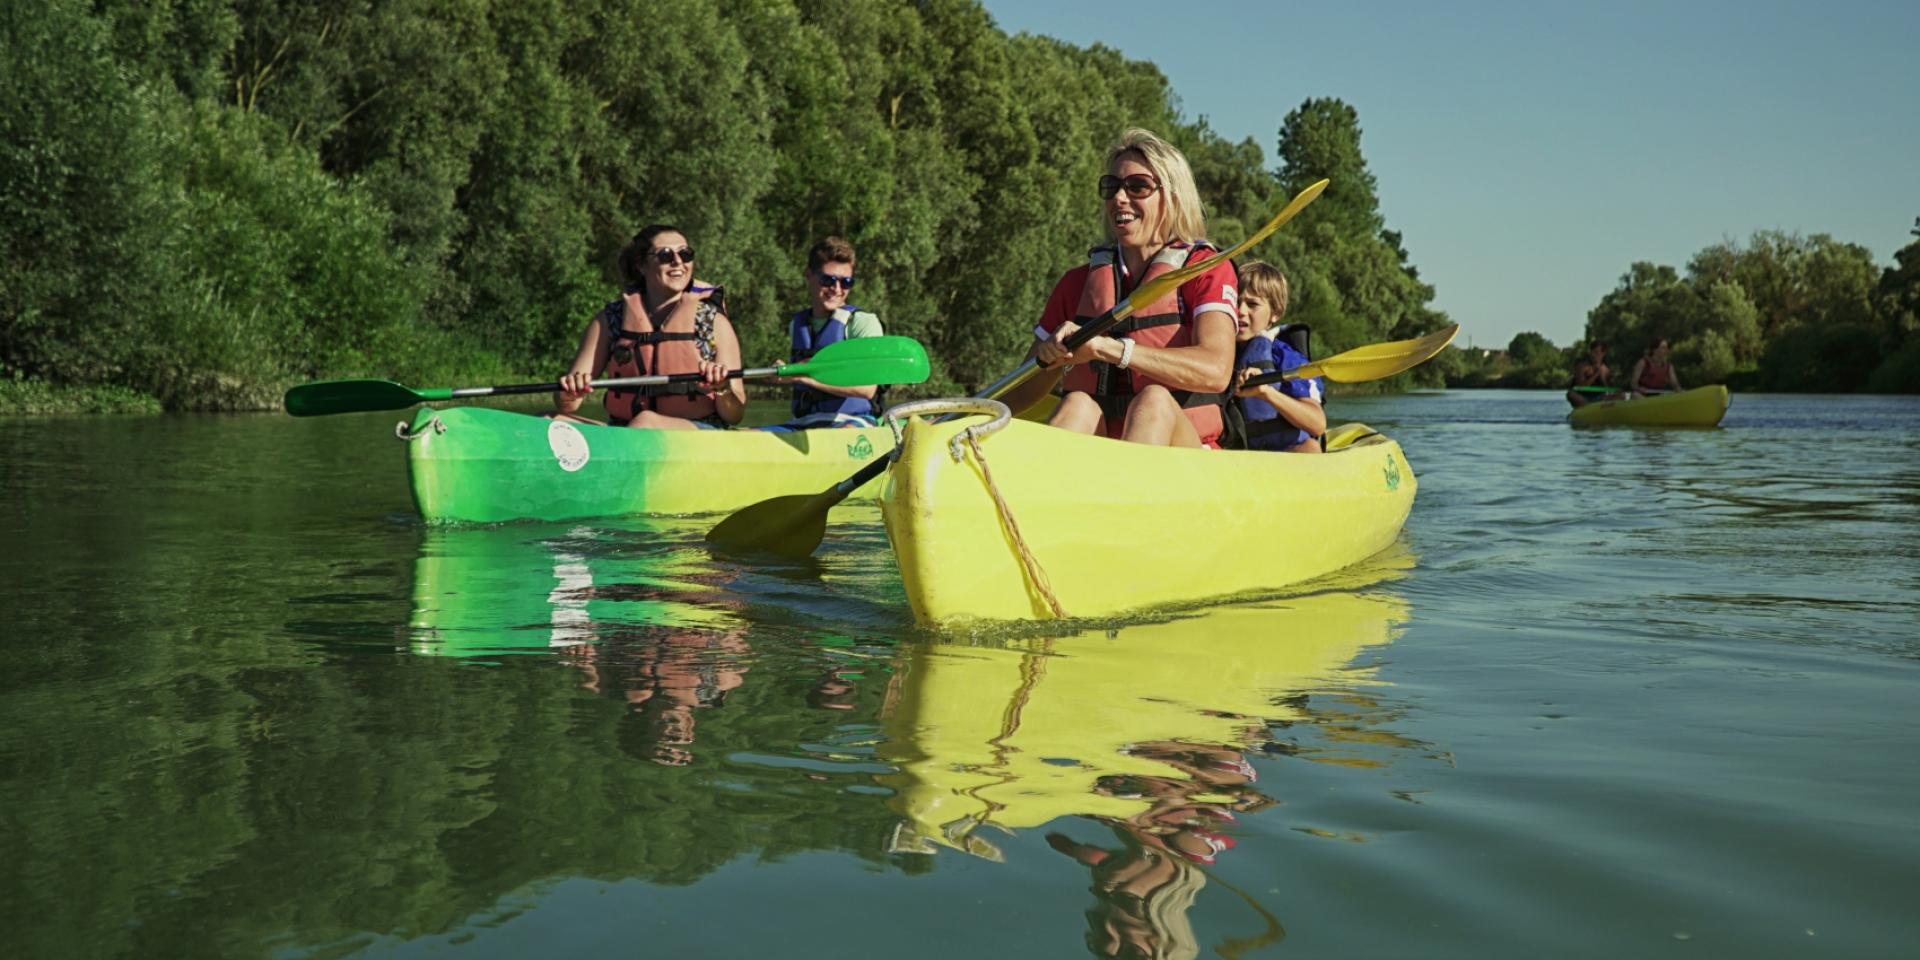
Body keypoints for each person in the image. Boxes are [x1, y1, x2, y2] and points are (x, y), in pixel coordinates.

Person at [1006, 129, 1238, 447]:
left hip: (1187, 453)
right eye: (1111, 187)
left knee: (1154, 400)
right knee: (1077, 404)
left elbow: (1216, 371)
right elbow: (1022, 389)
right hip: (1107, 451)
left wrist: (1110, 349)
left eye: (1137, 186)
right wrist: (1049, 358)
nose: (1119, 198)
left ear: (1173, 197)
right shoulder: (1077, 283)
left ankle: (1132, 479)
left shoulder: (1205, 271)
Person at [553, 224, 746, 429]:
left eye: (685, 254)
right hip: (627, 430)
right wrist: (569, 392)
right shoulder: (610, 321)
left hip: (699, 432)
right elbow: (568, 405)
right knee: (551, 421)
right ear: (641, 265)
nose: (678, 261)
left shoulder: (713, 322)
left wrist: (723, 388)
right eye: (665, 255)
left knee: (645, 421)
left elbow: (734, 415)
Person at [765, 236, 886, 430]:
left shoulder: (863, 323)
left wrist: (800, 375)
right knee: (749, 434)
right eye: (828, 280)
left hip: (853, 422)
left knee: (844, 433)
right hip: (803, 423)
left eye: (846, 282)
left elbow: (867, 389)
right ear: (808, 275)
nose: (836, 289)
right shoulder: (797, 324)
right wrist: (777, 374)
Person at [1227, 260, 1324, 452]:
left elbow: (1317, 424)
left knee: (1310, 448)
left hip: (1287, 453)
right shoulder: (1216, 352)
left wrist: (1265, 392)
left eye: (1252, 304)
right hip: (1238, 456)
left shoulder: (1286, 357)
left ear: (1275, 313)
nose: (1241, 311)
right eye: (1235, 302)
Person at [1566, 339, 1618, 407]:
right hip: (1583, 398)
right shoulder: (1582, 366)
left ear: (1603, 353)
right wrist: (1596, 374)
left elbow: (1608, 389)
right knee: (1570, 394)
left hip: (1599, 398)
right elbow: (1581, 386)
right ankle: (1588, 407)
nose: (1593, 355)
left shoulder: (1605, 369)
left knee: (1621, 395)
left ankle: (1601, 407)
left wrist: (1602, 376)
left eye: (1596, 352)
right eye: (1592, 352)